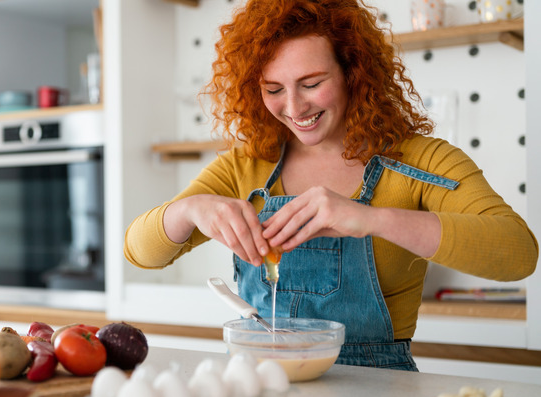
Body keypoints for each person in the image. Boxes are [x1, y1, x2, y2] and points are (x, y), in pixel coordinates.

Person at [124, 0, 538, 371]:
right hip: (258, 381)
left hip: (379, 390)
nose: (294, 107)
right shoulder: (244, 167)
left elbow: (518, 253)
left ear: (353, 72)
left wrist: (371, 219)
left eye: (311, 83)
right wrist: (188, 210)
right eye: (273, 89)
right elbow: (140, 252)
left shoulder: (419, 160)